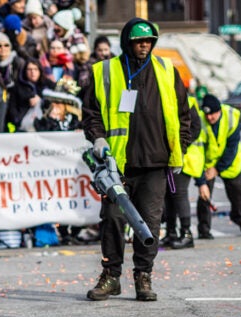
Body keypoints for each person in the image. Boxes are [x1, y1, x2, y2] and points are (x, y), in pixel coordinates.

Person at [82, 18, 191, 301]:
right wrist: (97, 138)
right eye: (138, 41)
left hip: (155, 165)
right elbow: (91, 112)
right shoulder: (105, 71)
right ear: (126, 42)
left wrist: (180, 149)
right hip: (116, 166)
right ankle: (111, 276)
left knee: (150, 224)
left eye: (148, 41)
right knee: (112, 220)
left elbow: (184, 116)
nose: (144, 45)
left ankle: (144, 276)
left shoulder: (167, 70)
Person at [194, 94, 241, 238]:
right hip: (208, 163)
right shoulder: (199, 120)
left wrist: (218, 169)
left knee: (237, 191)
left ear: (219, 110)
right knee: (204, 195)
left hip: (229, 162)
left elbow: (232, 147)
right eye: (207, 114)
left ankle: (238, 216)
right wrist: (201, 181)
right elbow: (196, 151)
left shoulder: (232, 117)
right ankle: (204, 229)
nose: (209, 118)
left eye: (213, 114)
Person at [163, 95, 204, 249]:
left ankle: (186, 234)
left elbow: (195, 129)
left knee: (179, 194)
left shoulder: (188, 101)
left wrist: (179, 148)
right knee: (169, 195)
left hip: (185, 158)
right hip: (171, 157)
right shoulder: (165, 97)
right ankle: (171, 233)